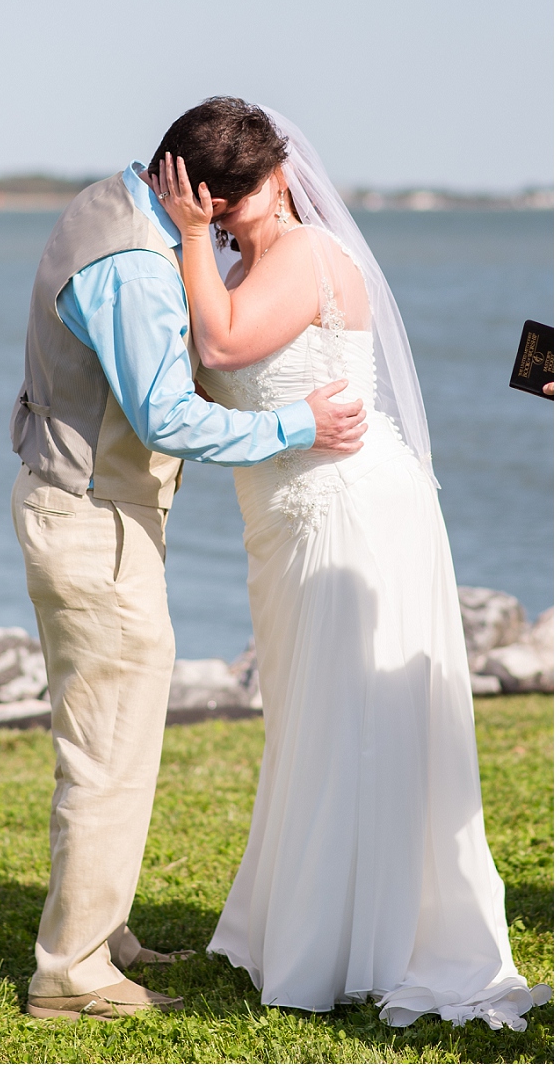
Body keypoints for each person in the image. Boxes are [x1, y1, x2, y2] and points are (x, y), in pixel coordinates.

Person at [154, 98, 551, 1031]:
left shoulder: (303, 257)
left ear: (280, 176)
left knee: (350, 716)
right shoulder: (243, 259)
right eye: (211, 203)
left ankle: (356, 941)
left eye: (235, 201)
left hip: (347, 512)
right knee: (311, 718)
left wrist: (186, 238)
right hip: (287, 518)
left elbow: (219, 346)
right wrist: (201, 246)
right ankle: (318, 922)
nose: (226, 217)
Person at [9, 100, 367, 1021]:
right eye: (227, 218)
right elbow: (167, 418)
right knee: (108, 751)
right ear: (198, 195)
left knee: (112, 736)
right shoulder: (133, 263)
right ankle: (72, 974)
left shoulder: (113, 205)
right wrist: (299, 424)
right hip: (96, 522)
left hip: (93, 512)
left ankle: (102, 930)